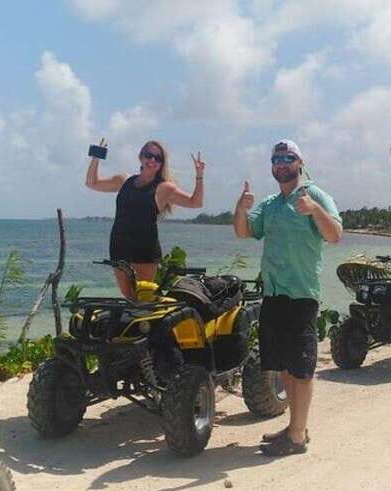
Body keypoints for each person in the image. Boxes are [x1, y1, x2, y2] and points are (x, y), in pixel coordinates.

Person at [233, 139, 342, 456]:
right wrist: (241, 208)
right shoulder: (270, 204)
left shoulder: (315, 195)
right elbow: (243, 231)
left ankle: (296, 438)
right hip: (274, 294)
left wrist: (314, 210)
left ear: (299, 163)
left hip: (302, 295)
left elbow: (335, 235)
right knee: (284, 365)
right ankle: (296, 427)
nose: (281, 164)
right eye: (276, 159)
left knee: (302, 368)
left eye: (287, 158)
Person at [86, 139, 205, 299]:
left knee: (143, 299)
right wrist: (96, 156)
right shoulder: (124, 181)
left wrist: (199, 176)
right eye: (149, 155)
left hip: (145, 250)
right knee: (129, 298)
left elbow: (195, 202)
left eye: (158, 158)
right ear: (140, 157)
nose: (152, 160)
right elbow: (92, 183)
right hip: (119, 246)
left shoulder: (164, 188)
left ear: (162, 163)